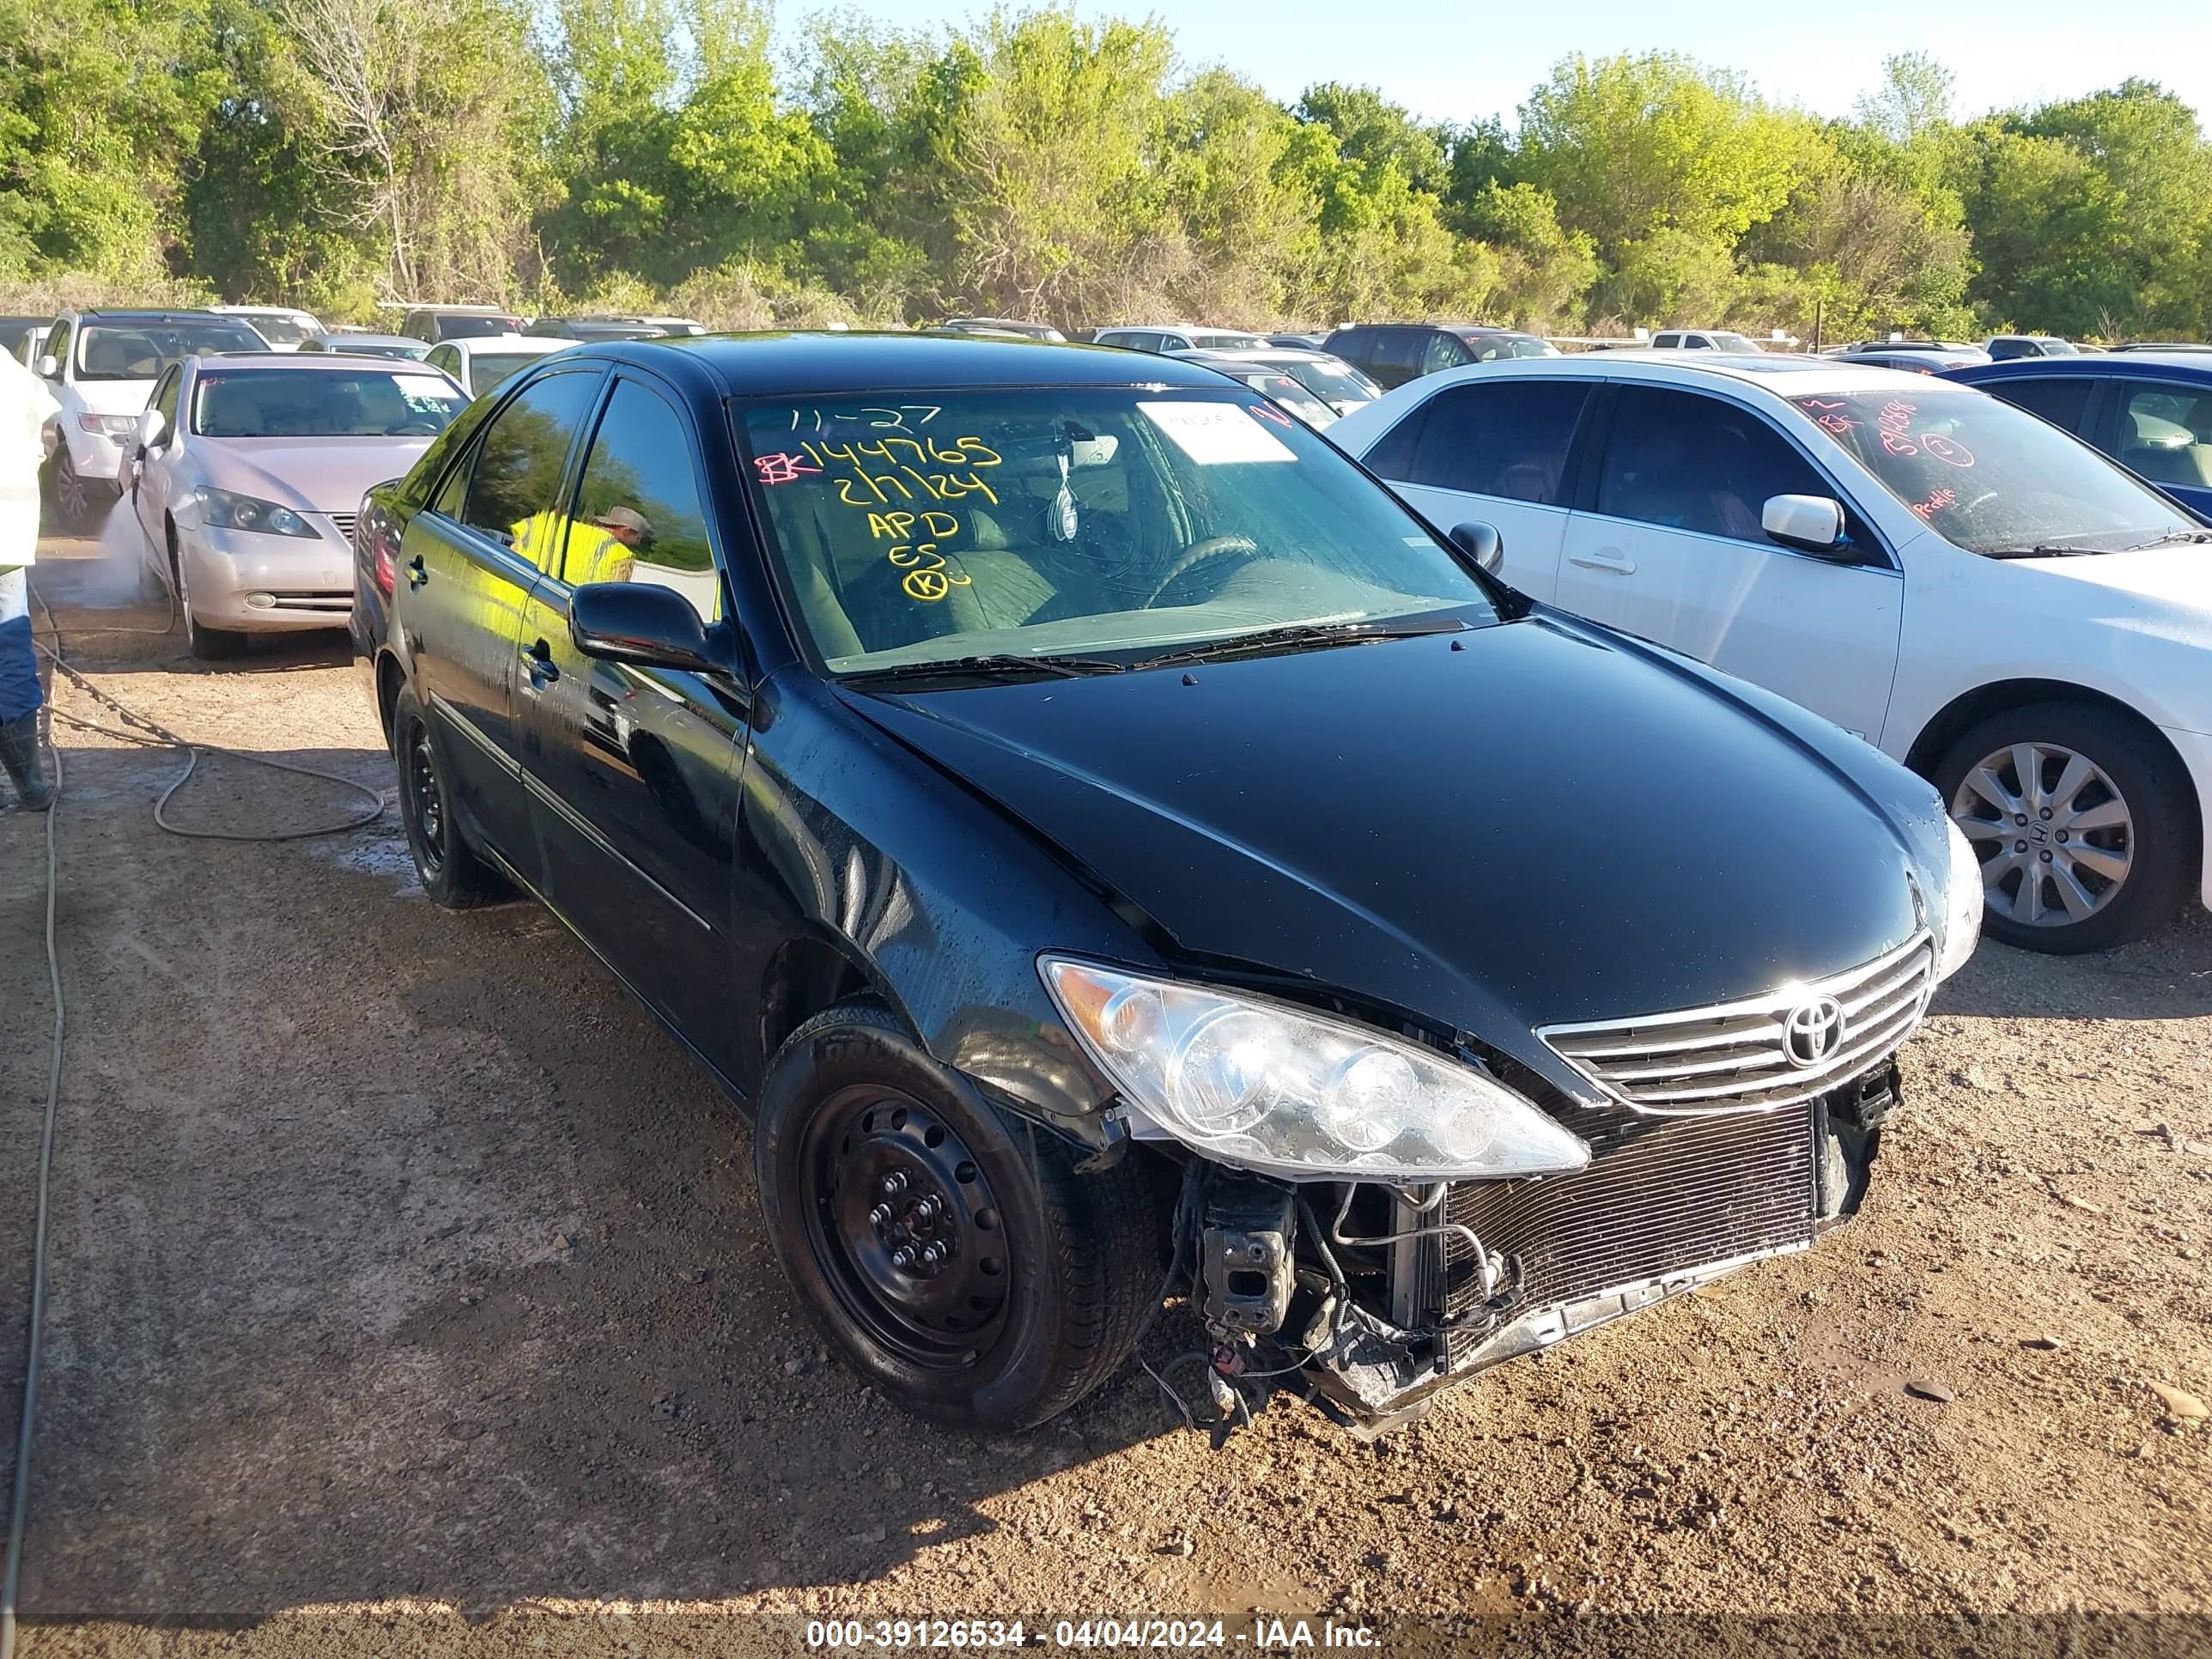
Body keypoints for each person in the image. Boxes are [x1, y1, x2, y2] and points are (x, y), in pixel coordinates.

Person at [0, 346, 58, 809]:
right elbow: (49, 434)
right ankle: (30, 788)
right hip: (7, 537)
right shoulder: (6, 366)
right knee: (9, 651)